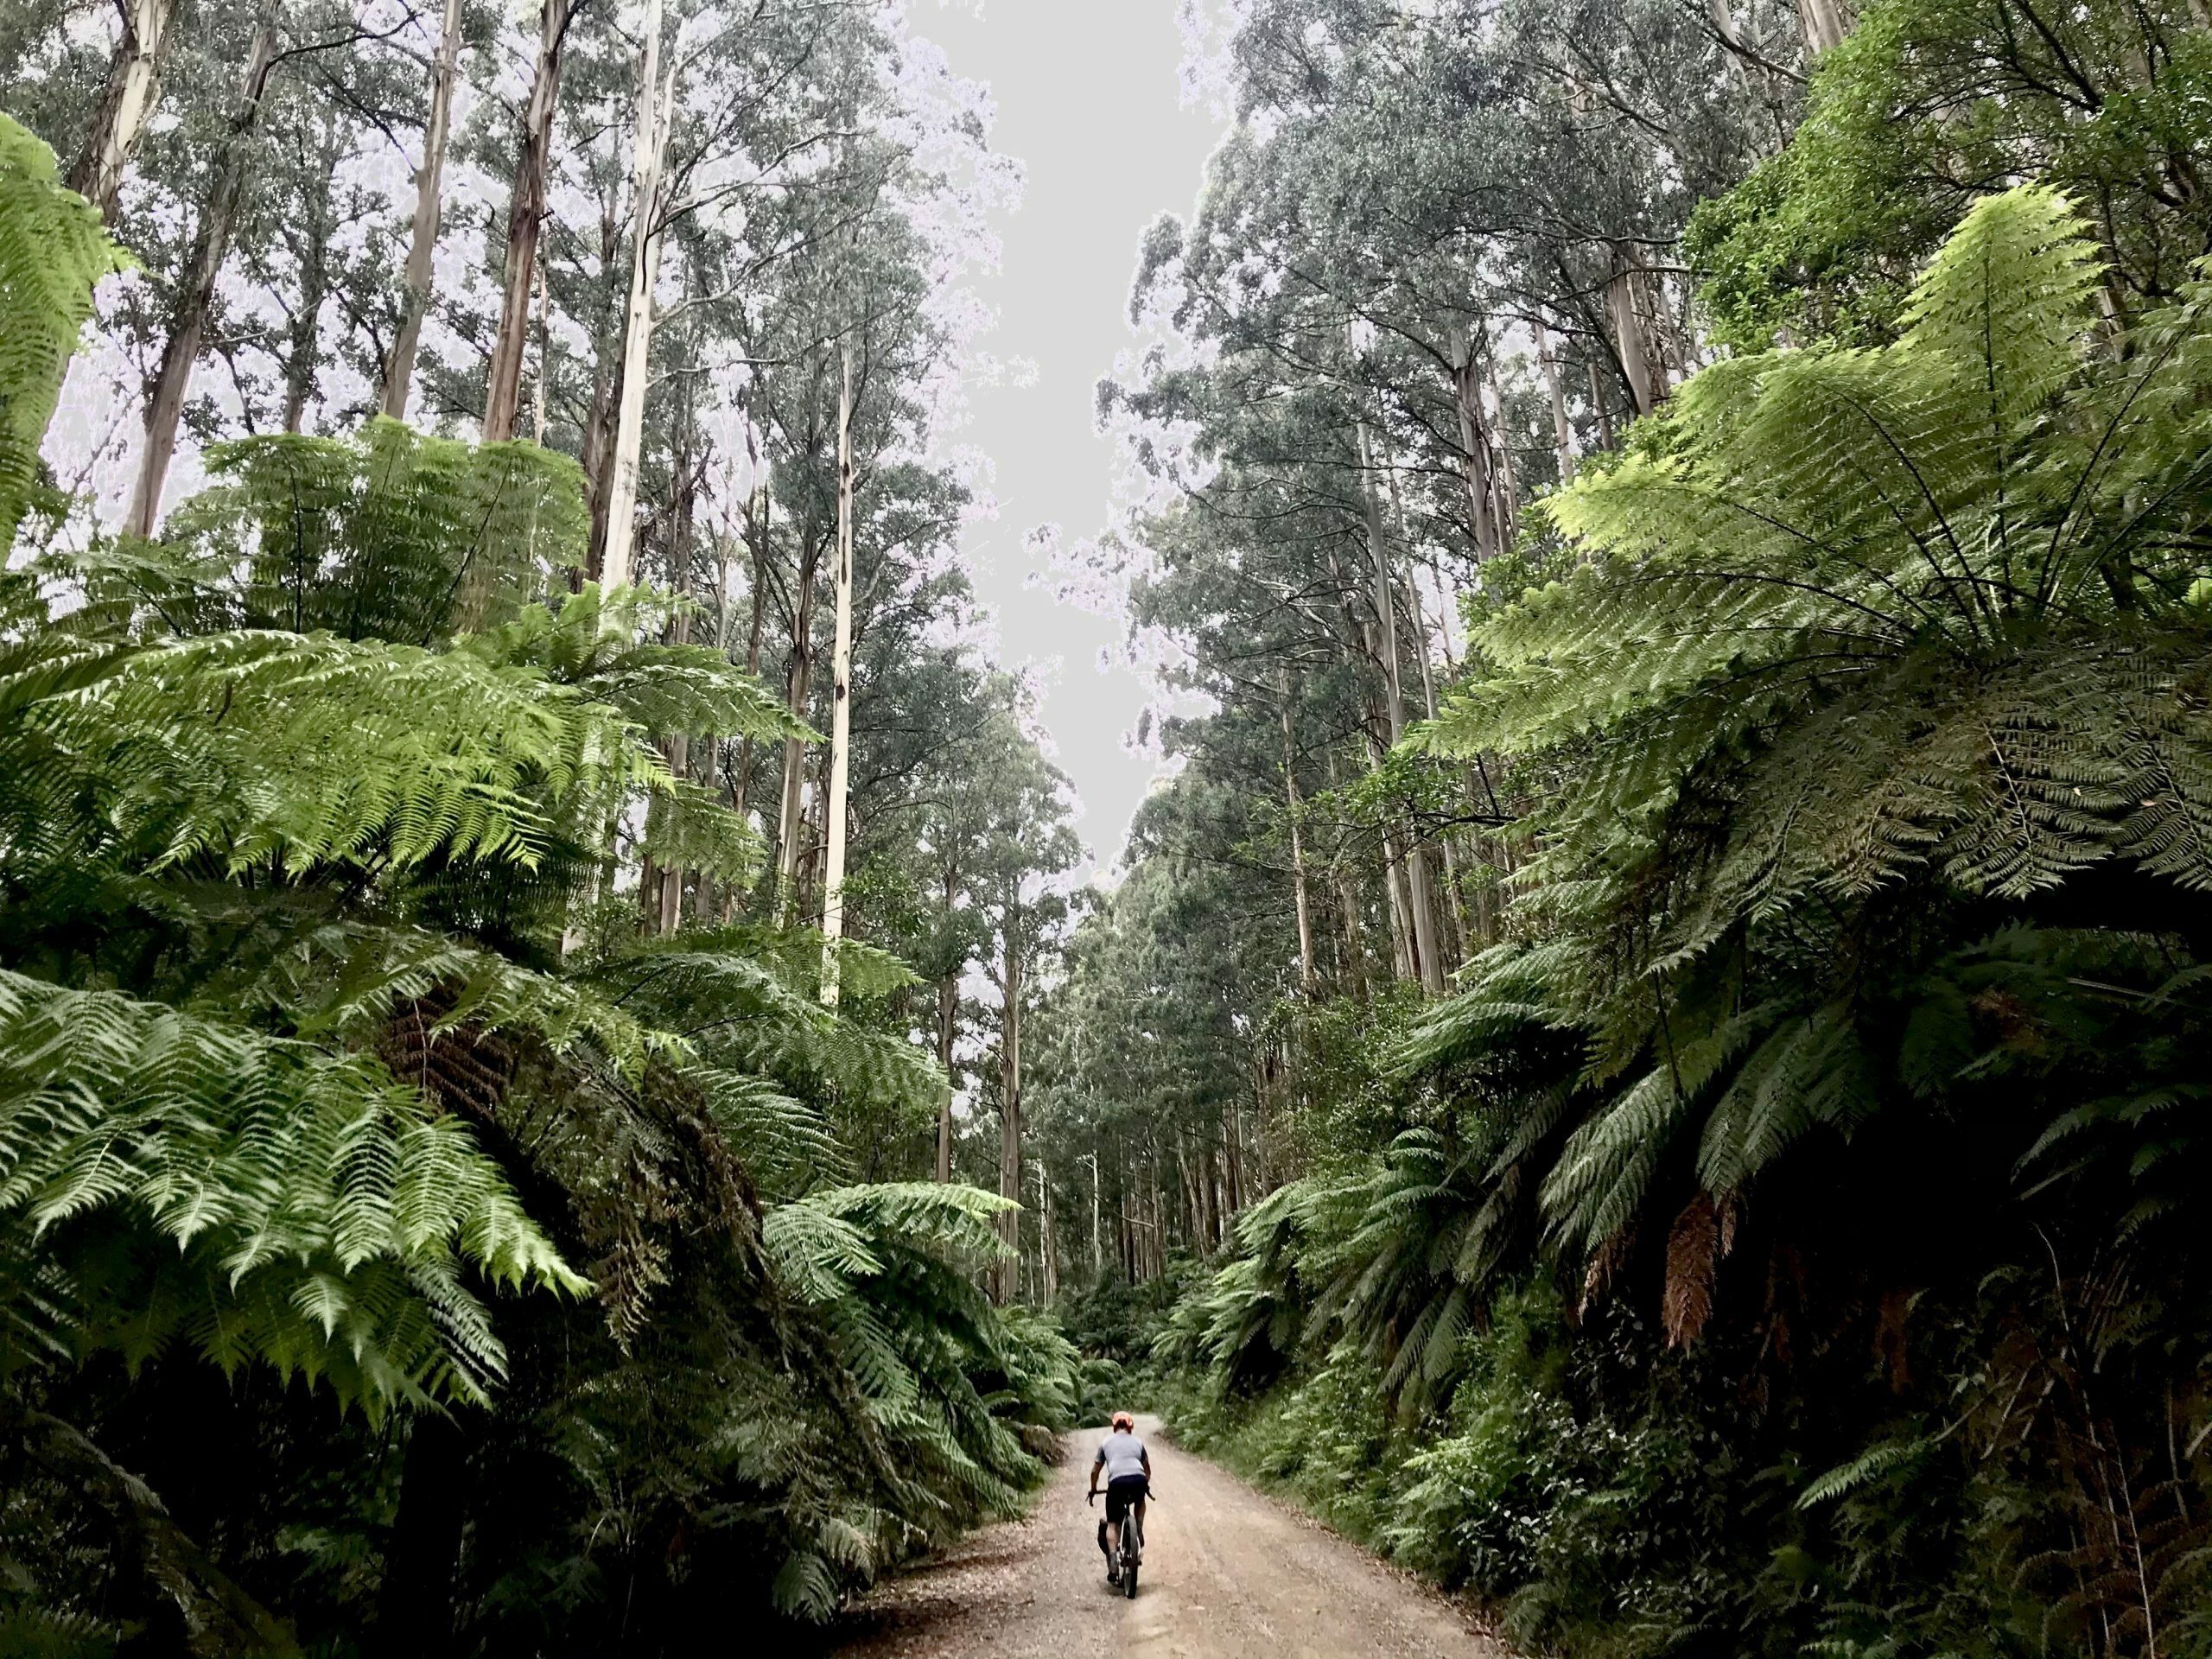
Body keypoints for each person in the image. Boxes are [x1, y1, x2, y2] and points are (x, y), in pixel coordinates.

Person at [1086, 1410, 1150, 1583]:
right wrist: (1145, 1485)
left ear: (1114, 1426)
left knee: (1113, 1524)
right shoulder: (1138, 1442)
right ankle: (1139, 1528)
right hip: (1138, 1479)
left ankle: (1113, 1564)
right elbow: (1147, 1469)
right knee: (1140, 1501)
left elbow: (1095, 1471)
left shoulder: (1106, 1442)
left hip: (1116, 1483)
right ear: (1130, 1426)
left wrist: (1093, 1489)